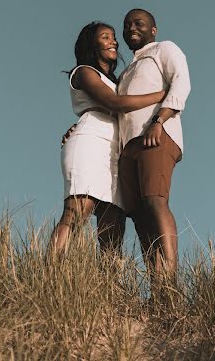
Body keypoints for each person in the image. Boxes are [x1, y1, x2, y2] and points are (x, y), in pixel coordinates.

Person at [48, 21, 167, 258]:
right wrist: (163, 95)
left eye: (113, 37)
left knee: (113, 224)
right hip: (90, 142)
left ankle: (108, 288)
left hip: (116, 150)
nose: (113, 41)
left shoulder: (117, 80)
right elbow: (115, 104)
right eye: (105, 37)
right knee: (77, 212)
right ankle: (49, 277)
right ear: (92, 44)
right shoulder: (84, 71)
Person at [117, 9, 191, 279]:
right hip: (128, 145)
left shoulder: (164, 49)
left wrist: (158, 121)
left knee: (155, 201)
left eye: (138, 23)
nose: (131, 28)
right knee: (138, 215)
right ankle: (157, 284)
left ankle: (170, 282)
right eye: (126, 25)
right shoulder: (126, 71)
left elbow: (181, 84)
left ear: (153, 29)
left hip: (157, 135)